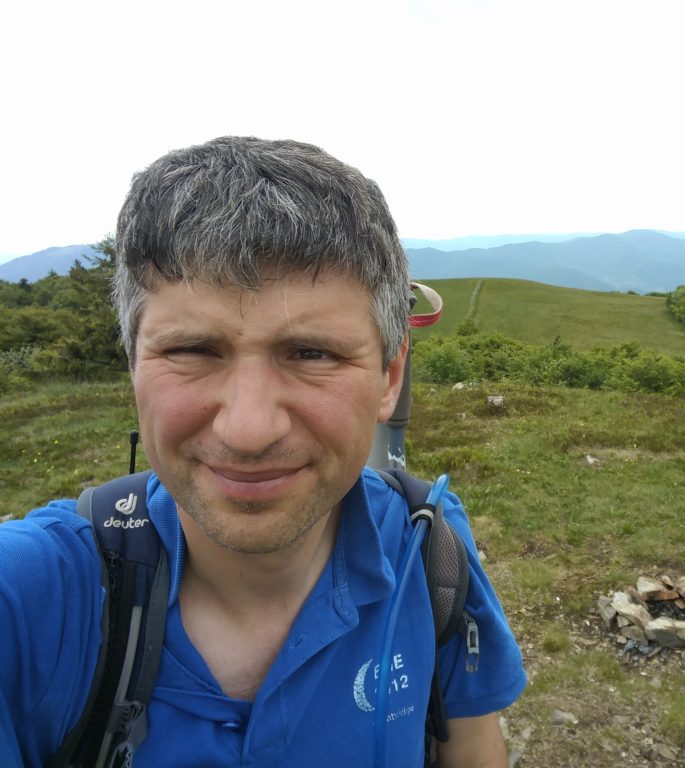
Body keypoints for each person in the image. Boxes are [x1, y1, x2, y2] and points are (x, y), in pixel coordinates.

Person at [0, 137, 526, 767]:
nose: (248, 432)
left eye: (312, 353)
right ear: (133, 366)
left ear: (390, 377)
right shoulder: (26, 600)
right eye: (193, 350)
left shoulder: (431, 548)